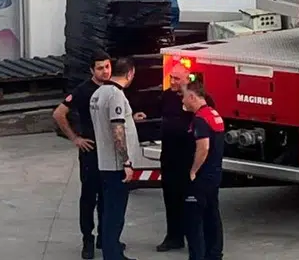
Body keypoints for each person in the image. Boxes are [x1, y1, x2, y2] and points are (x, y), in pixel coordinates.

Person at [52, 53, 112, 259]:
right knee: (89, 198)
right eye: (100, 68)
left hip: (110, 152)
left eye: (107, 67)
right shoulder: (83, 90)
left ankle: (106, 237)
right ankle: (88, 239)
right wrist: (75, 138)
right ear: (91, 71)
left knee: (108, 197)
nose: (105, 71)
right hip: (91, 151)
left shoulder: (113, 88)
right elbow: (59, 113)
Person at [89, 57, 142, 260]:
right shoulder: (115, 95)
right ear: (129, 73)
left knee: (109, 211)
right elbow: (117, 129)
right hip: (116, 165)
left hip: (104, 161)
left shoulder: (98, 93)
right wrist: (126, 161)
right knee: (115, 214)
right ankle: (113, 256)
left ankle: (114, 252)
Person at [182, 79, 225, 260]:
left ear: (192, 96)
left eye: (184, 97)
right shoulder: (214, 114)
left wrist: (193, 170)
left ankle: (197, 256)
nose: (182, 101)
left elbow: (203, 147)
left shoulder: (200, 120)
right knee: (212, 215)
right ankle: (214, 253)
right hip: (214, 175)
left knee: (194, 220)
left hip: (202, 178)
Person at [154, 64, 194, 252]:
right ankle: (173, 237)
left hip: (189, 158)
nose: (173, 82)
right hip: (169, 156)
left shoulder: (197, 99)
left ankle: (195, 238)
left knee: (191, 200)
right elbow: (156, 112)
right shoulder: (167, 96)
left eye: (177, 79)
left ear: (187, 78)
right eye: (172, 78)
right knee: (170, 197)